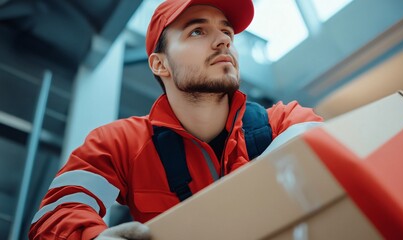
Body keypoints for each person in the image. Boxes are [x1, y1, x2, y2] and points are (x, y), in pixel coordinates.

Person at [29, 0, 323, 239]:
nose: (223, 41)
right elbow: (55, 215)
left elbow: (340, 171)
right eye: (198, 31)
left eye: (227, 32)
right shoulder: (119, 143)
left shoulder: (287, 122)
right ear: (160, 64)